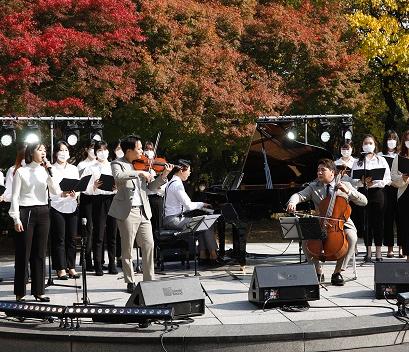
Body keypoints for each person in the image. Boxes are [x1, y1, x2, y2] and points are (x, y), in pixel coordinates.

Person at [287, 158, 367, 286]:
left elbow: (364, 201)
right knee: (305, 239)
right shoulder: (314, 187)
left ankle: (338, 272)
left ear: (332, 172)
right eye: (318, 170)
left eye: (322, 170)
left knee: (351, 237)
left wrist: (349, 192)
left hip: (341, 222)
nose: (319, 172)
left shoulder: (345, 185)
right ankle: (317, 271)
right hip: (320, 221)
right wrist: (292, 202)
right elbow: (299, 195)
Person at [109, 135, 172, 293]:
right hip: (127, 211)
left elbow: (151, 188)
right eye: (139, 148)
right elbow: (119, 178)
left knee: (149, 244)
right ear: (129, 150)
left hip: (144, 210)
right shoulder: (117, 164)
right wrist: (138, 173)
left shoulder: (143, 166)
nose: (142, 151)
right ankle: (130, 280)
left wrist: (163, 176)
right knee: (128, 247)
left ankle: (149, 280)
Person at [9, 142, 61, 302]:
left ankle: (39, 291)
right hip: (27, 212)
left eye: (45, 150)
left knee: (40, 253)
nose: (44, 152)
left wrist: (50, 172)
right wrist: (16, 218)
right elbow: (15, 196)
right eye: (40, 150)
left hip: (43, 211)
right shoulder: (21, 172)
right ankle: (20, 292)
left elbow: (55, 191)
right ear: (32, 153)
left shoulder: (45, 171)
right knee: (23, 253)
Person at [163, 160, 221, 266]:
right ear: (181, 170)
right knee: (205, 224)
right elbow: (188, 206)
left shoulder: (172, 182)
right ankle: (213, 256)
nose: (189, 173)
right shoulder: (177, 185)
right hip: (173, 220)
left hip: (172, 218)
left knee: (203, 223)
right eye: (189, 171)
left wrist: (201, 206)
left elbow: (181, 206)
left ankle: (203, 256)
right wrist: (202, 204)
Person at [351, 134, 391, 262]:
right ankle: (368, 252)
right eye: (365, 143)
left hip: (378, 193)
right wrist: (361, 182)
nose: (368, 145)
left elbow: (387, 179)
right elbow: (353, 180)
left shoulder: (381, 160)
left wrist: (374, 182)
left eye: (370, 143)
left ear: (374, 145)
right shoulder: (358, 161)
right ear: (362, 145)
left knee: (378, 223)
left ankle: (378, 252)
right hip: (363, 193)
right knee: (366, 223)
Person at [82, 140, 118, 276]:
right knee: (98, 234)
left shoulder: (113, 166)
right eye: (99, 150)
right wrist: (94, 187)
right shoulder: (91, 167)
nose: (103, 153)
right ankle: (98, 264)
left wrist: (116, 188)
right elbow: (84, 188)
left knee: (112, 233)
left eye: (104, 150)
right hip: (97, 200)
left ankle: (112, 263)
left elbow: (120, 183)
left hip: (112, 199)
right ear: (96, 153)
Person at [50, 141, 80, 280]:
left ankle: (71, 266)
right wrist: (61, 194)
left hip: (72, 205)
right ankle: (60, 268)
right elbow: (49, 189)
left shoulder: (73, 169)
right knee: (59, 239)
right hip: (57, 206)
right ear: (56, 153)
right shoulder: (51, 169)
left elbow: (79, 186)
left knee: (72, 239)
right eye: (60, 150)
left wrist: (75, 193)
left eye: (66, 150)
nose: (63, 153)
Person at [76, 140, 97, 270]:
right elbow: (80, 183)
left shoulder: (101, 163)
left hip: (100, 198)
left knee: (98, 230)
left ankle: (98, 259)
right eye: (92, 148)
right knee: (88, 229)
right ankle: (87, 259)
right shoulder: (81, 165)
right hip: (86, 198)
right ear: (86, 149)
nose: (94, 151)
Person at [379, 130, 400, 258]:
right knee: (388, 219)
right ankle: (389, 248)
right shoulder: (380, 156)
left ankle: (402, 247)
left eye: (393, 139)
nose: (391, 141)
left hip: (400, 189)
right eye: (388, 139)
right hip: (386, 190)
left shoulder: (401, 155)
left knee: (401, 219)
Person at [391, 130, 409, 262]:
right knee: (405, 226)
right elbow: (392, 177)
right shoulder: (399, 157)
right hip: (404, 194)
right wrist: (402, 177)